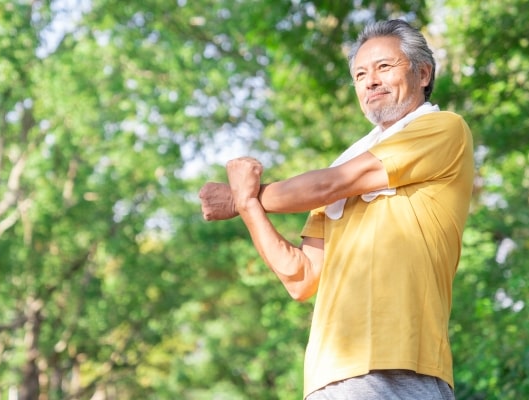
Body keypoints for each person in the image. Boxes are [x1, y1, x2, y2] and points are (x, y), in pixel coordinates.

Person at [198, 19, 474, 399]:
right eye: (360, 74)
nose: (370, 81)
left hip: (403, 365)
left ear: (423, 73)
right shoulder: (343, 167)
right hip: (330, 377)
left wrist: (239, 197)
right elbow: (300, 277)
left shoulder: (443, 129)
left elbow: (331, 184)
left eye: (384, 67)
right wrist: (247, 206)